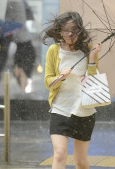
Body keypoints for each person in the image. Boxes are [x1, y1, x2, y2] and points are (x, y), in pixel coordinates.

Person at [42, 11, 101, 169]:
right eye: (66, 30)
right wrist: (61, 77)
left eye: (74, 30)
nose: (69, 34)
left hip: (84, 111)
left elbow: (93, 81)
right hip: (60, 108)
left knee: (80, 161)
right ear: (60, 31)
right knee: (60, 154)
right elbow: (48, 82)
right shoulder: (54, 51)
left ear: (80, 30)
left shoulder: (88, 50)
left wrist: (93, 57)